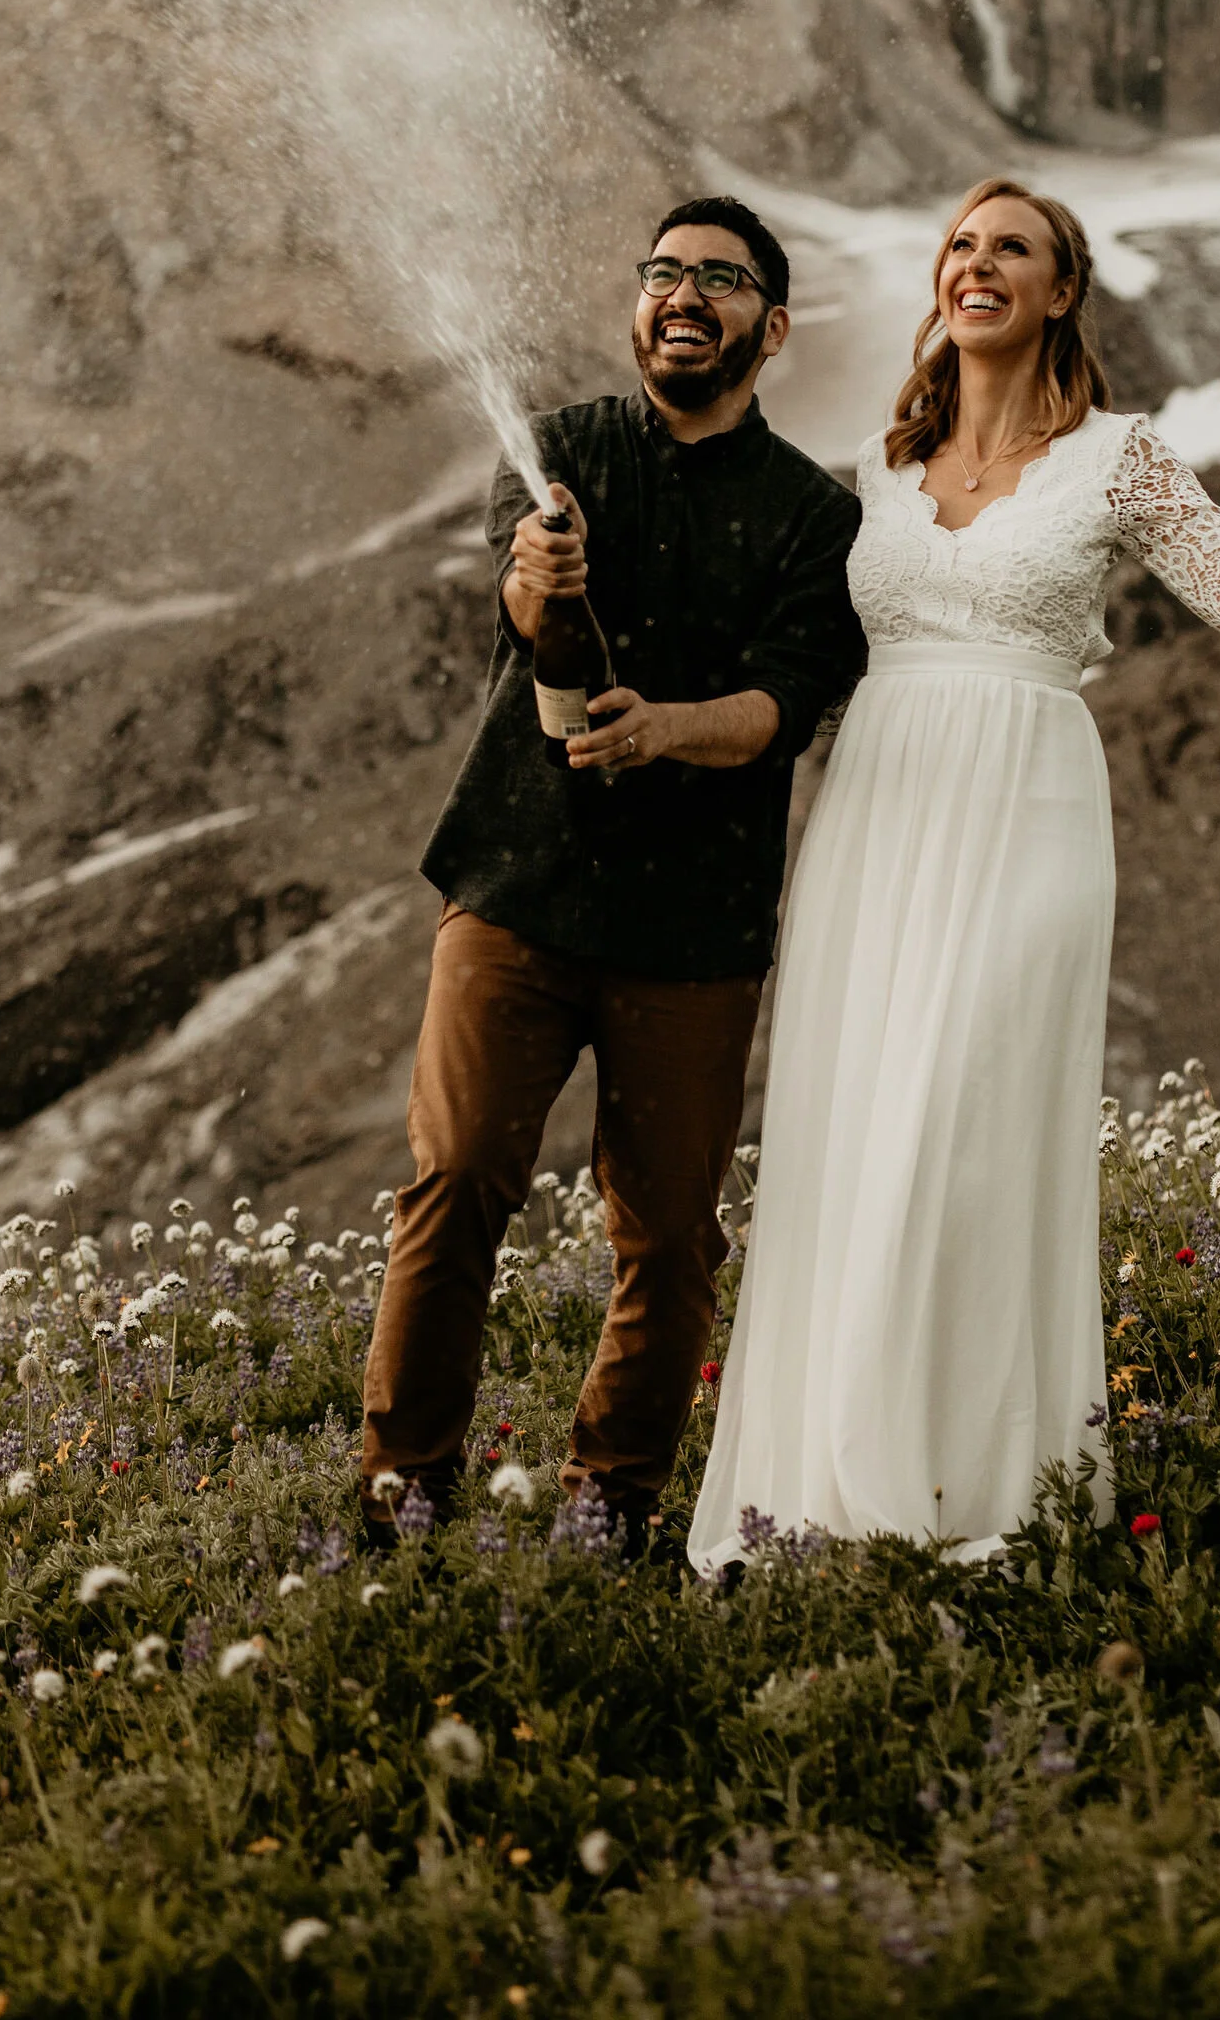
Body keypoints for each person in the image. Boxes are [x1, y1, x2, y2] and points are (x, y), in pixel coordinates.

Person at [688, 174, 1220, 1573]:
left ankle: (972, 1491)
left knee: (965, 1131)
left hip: (1029, 813)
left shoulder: (1122, 461)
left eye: (1014, 247)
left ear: (1062, 293)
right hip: (876, 812)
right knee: (859, 1135)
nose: (976, 261)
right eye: (961, 243)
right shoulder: (876, 470)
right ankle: (824, 1496)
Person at [360, 194, 866, 1555]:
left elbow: (785, 703)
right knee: (455, 1176)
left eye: (719, 278)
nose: (683, 294)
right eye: (662, 273)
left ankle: (612, 1499)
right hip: (517, 890)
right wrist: (538, 581)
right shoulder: (563, 456)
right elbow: (524, 626)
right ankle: (400, 1485)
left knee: (668, 1237)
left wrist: (670, 732)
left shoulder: (817, 520)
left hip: (693, 929)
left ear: (772, 330)